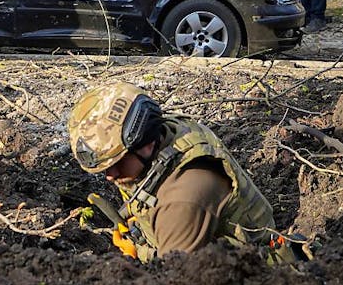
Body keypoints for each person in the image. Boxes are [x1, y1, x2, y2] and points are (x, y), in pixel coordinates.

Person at [68, 82, 279, 263]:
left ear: (146, 144)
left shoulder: (183, 199)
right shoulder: (172, 131)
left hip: (250, 269)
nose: (110, 175)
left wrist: (140, 252)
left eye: (117, 163)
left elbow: (175, 273)